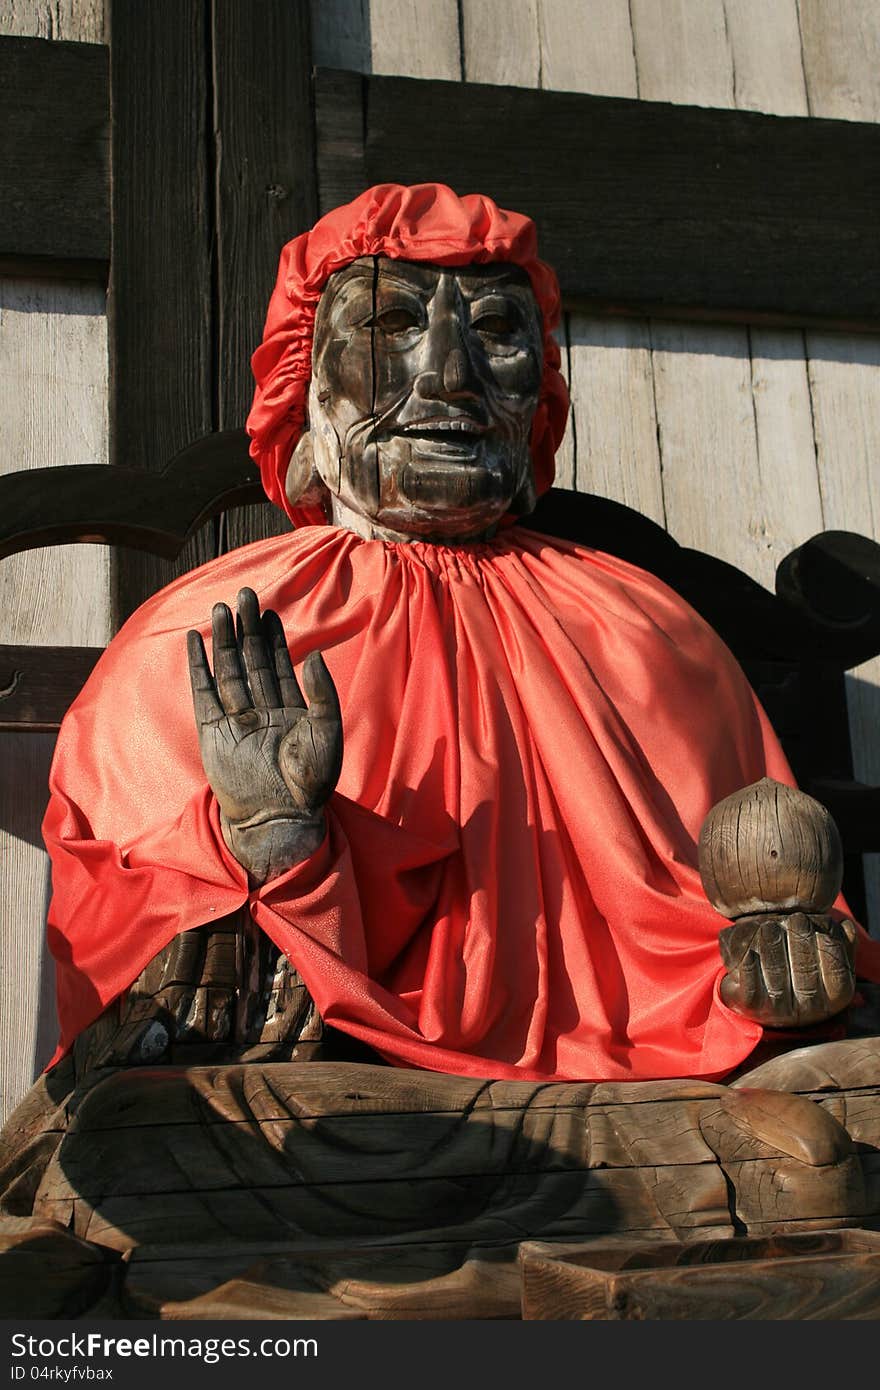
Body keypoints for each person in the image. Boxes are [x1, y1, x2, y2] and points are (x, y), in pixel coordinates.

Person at [39, 183, 880, 1087]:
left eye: (496, 333)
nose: (449, 374)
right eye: (391, 322)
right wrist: (274, 842)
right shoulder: (215, 637)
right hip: (356, 1103)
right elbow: (135, 948)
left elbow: (752, 895)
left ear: (541, 392)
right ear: (306, 384)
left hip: (668, 1089)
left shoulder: (650, 632)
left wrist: (780, 956)